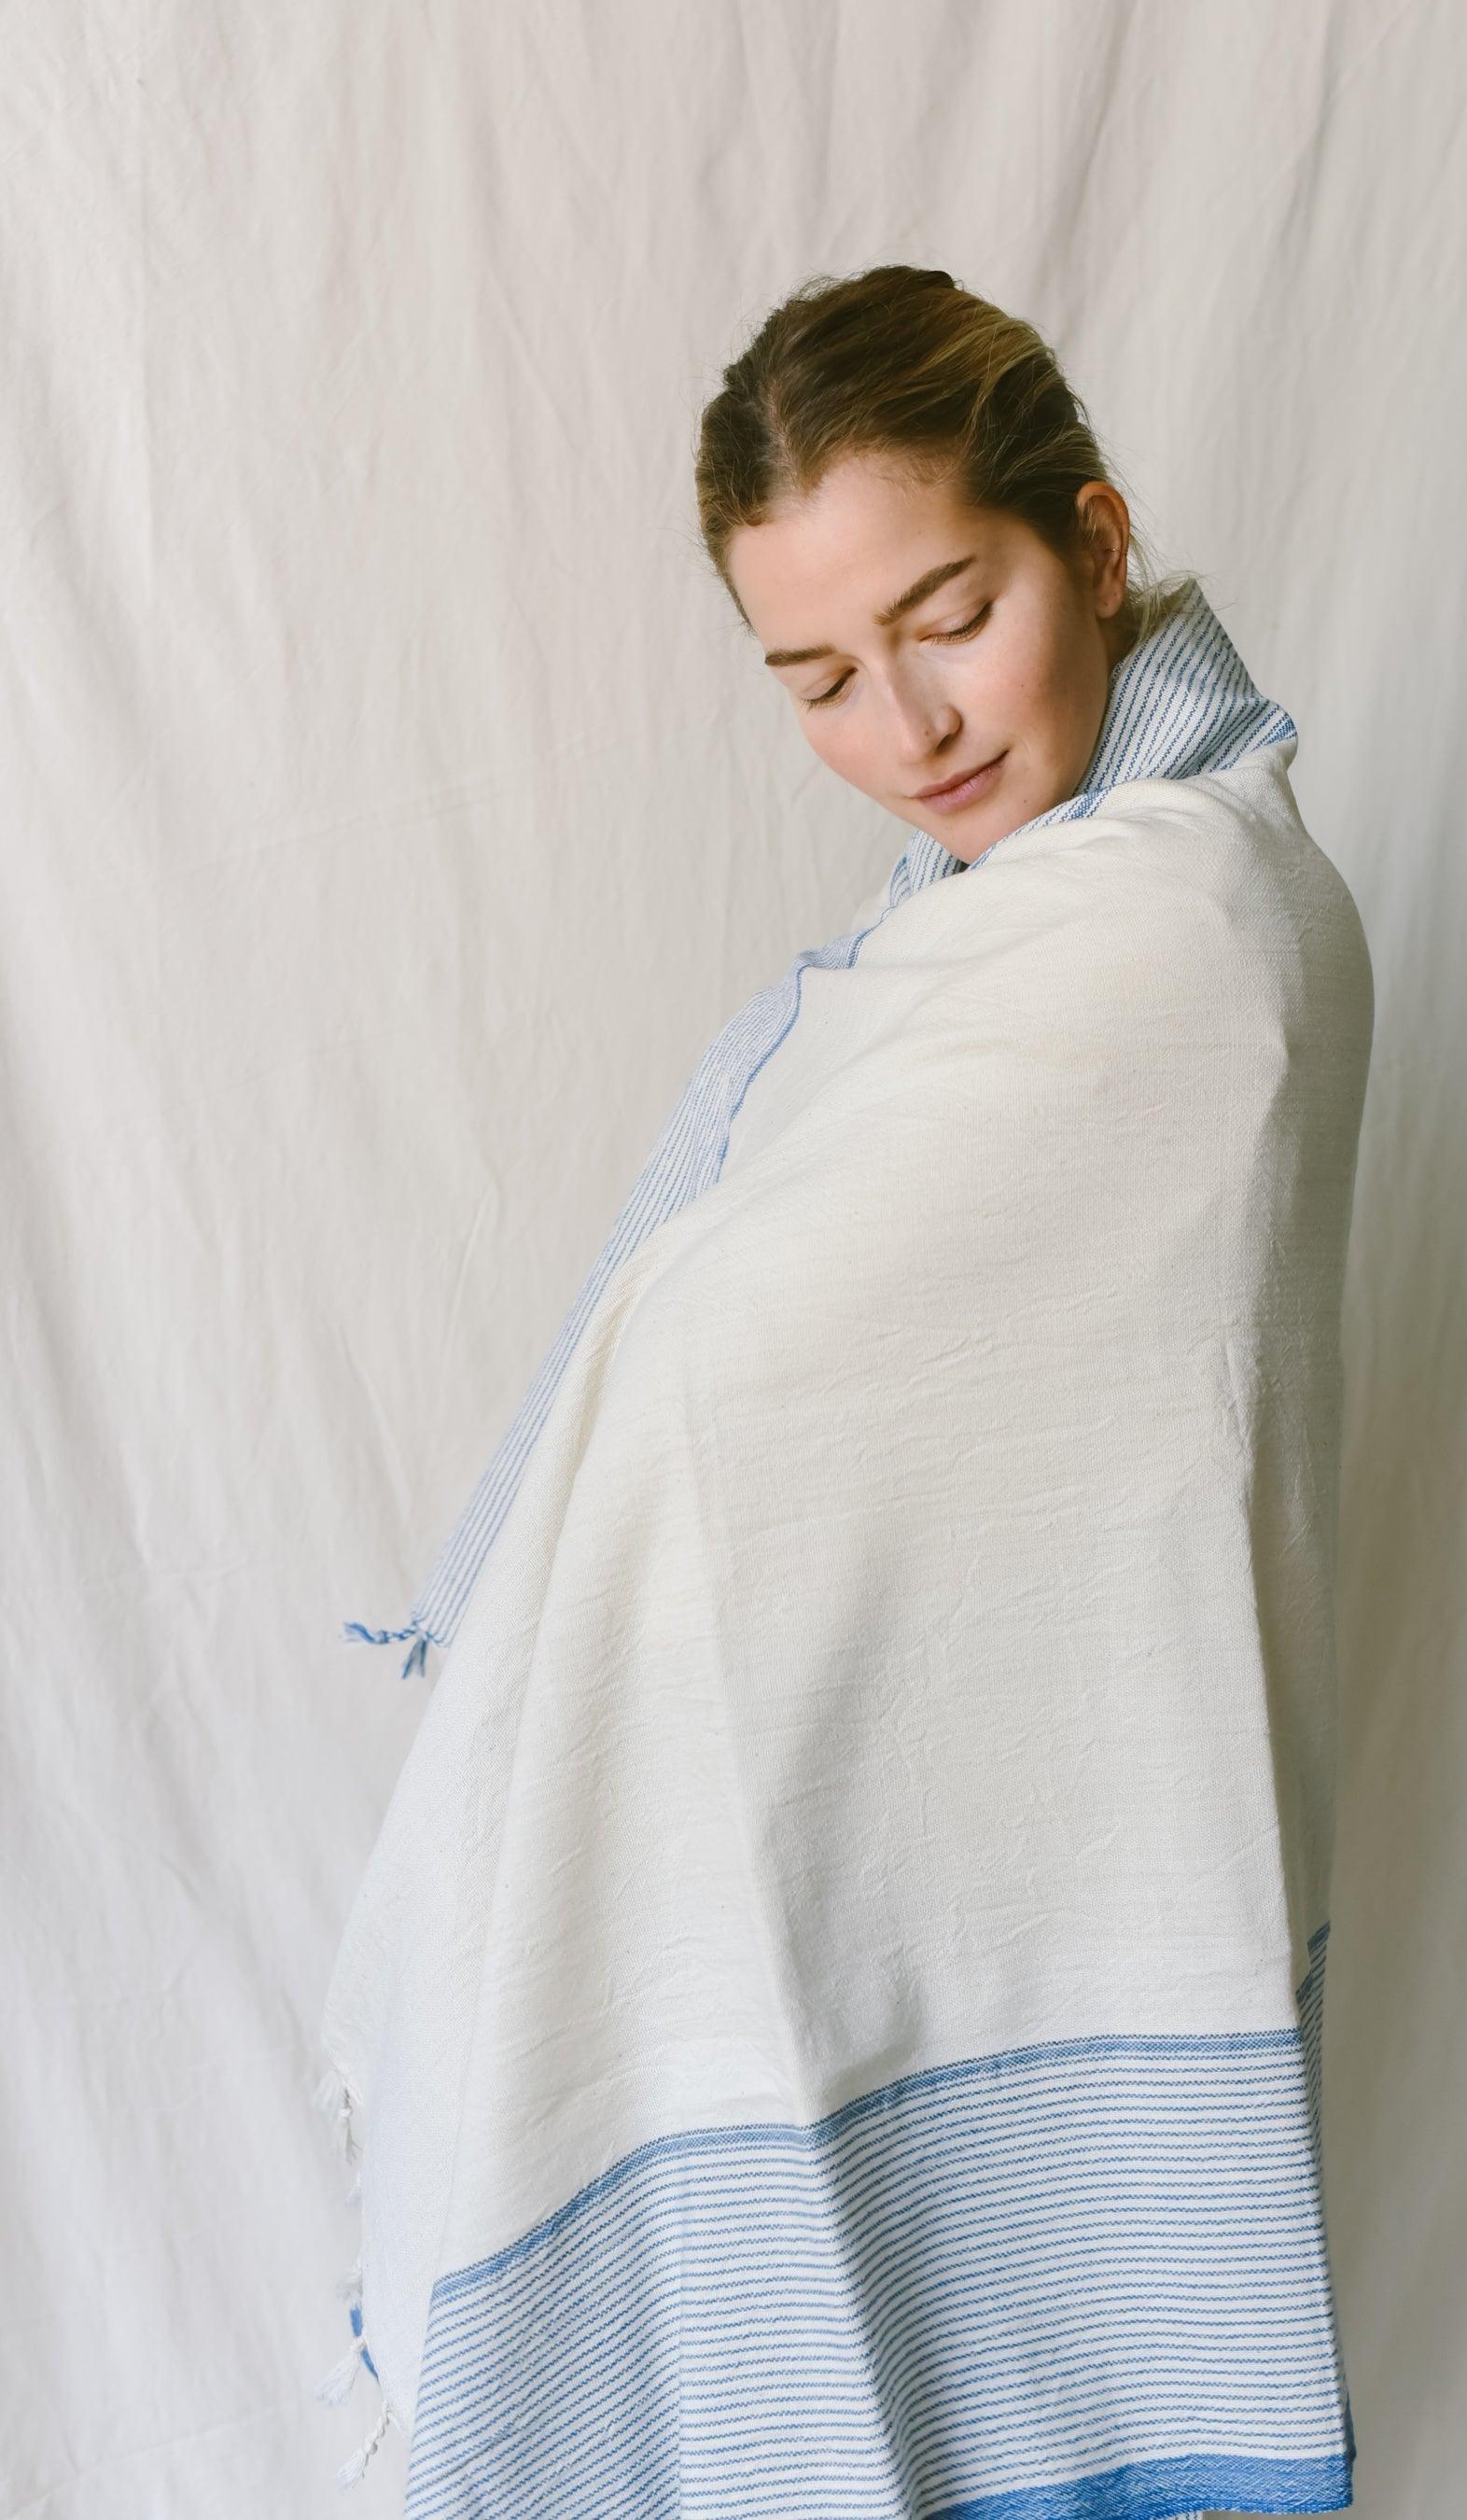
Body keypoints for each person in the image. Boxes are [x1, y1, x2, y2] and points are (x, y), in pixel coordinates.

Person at [317, 264, 1372, 2519]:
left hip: (1043, 1880)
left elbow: (725, 1376)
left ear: (1095, 541)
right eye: (814, 676)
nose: (910, 726)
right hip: (906, 1865)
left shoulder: (1178, 922)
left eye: (950, 615)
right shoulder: (970, 922)